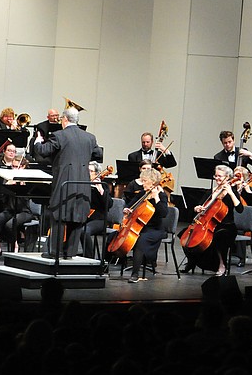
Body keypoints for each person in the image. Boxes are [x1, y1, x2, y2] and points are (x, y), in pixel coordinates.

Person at [33, 107, 103, 259]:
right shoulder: (89, 137)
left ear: (65, 120)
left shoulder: (59, 135)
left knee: (59, 217)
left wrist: (38, 141)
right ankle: (70, 253)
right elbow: (98, 154)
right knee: (77, 217)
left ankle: (55, 252)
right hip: (82, 184)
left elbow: (43, 151)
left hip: (64, 184)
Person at [184, 165, 244, 276]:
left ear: (227, 177)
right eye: (215, 176)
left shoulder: (232, 191)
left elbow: (240, 209)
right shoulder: (212, 191)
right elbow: (201, 205)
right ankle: (192, 261)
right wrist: (197, 208)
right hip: (209, 223)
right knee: (186, 234)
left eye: (220, 176)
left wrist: (230, 192)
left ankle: (222, 265)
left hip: (227, 226)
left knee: (218, 237)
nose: (217, 178)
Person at [120, 167, 168, 283]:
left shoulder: (162, 196)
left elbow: (163, 213)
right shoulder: (143, 194)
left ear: (153, 181)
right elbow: (130, 206)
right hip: (141, 227)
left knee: (140, 240)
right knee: (117, 236)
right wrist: (127, 210)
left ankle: (135, 274)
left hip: (155, 229)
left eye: (145, 181)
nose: (142, 183)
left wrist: (156, 197)